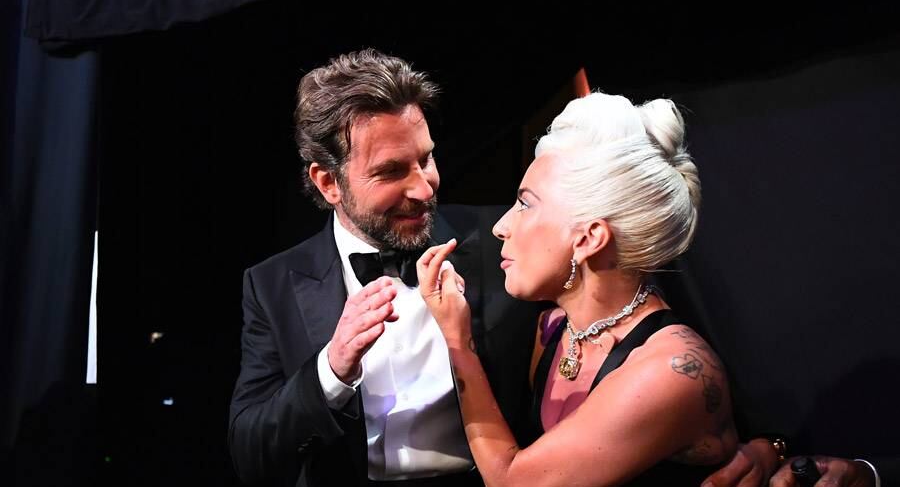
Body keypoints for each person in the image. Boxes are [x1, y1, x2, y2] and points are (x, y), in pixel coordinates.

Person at [227, 49, 543, 487]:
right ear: (328, 183)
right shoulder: (272, 285)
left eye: (425, 159)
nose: (424, 188)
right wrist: (331, 370)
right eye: (392, 171)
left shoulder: (501, 240)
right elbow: (251, 452)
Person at [417, 92, 740, 486]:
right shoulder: (551, 330)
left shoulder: (670, 372)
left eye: (525, 204)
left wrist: (457, 339)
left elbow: (513, 481)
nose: (501, 226)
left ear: (589, 239)